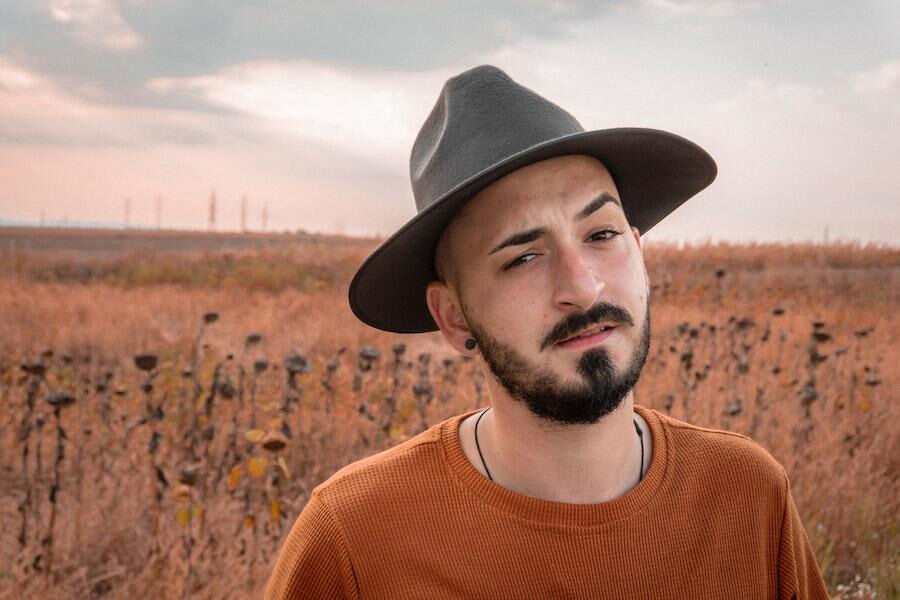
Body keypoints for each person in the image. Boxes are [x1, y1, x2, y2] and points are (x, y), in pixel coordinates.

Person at [265, 65, 829, 599]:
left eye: (601, 234)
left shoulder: (745, 496)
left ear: (640, 253)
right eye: (523, 258)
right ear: (453, 316)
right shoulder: (355, 540)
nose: (583, 289)